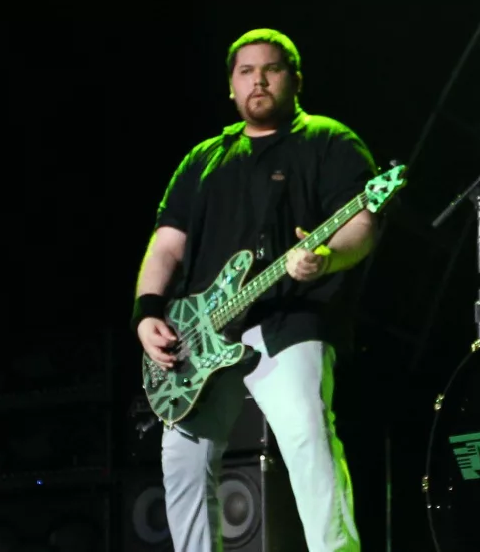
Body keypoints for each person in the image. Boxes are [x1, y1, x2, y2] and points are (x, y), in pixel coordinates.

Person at [131, 28, 376, 552]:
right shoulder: (202, 159)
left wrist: (328, 257)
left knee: (308, 438)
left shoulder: (329, 141)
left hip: (291, 317)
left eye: (272, 69)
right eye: (246, 71)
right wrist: (147, 311)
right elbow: (167, 244)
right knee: (183, 460)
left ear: (295, 80)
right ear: (231, 87)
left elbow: (362, 223)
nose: (258, 81)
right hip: (200, 333)